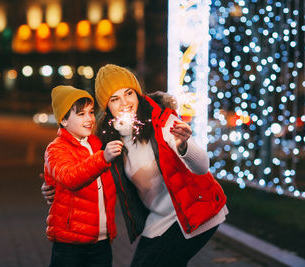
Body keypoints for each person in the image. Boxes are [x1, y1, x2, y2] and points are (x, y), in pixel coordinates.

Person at [42, 65, 228, 266]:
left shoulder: (162, 122)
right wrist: (52, 187)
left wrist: (183, 146)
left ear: (137, 94)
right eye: (114, 99)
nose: (124, 103)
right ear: (107, 108)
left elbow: (201, 168)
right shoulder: (108, 141)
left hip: (194, 212)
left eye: (128, 93)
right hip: (159, 219)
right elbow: (79, 168)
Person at [43, 85, 123, 267]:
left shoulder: (96, 143)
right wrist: (103, 158)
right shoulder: (56, 148)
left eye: (91, 112)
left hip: (102, 242)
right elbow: (70, 178)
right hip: (70, 245)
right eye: (81, 114)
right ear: (63, 120)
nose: (89, 119)